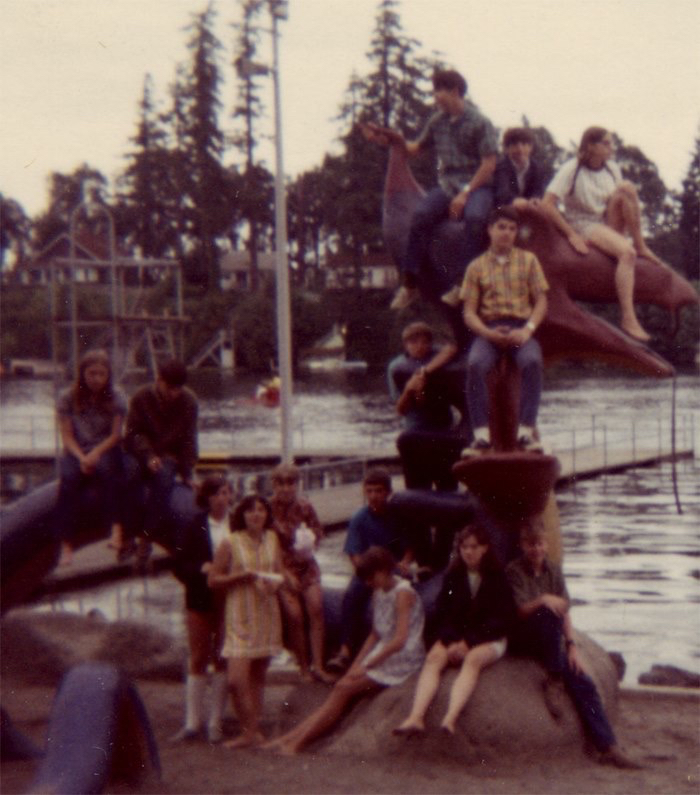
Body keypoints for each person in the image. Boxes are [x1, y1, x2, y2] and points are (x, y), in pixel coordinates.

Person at [264, 546, 425, 755]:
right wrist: (357, 664)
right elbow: (375, 634)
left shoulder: (403, 593)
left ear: (385, 570)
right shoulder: (379, 592)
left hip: (403, 657)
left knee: (343, 689)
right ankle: (289, 738)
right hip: (386, 651)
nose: (368, 583)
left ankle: (297, 744)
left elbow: (400, 640)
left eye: (371, 577)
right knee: (342, 684)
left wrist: (369, 664)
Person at [506, 520, 641, 769]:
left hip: (550, 639)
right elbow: (521, 610)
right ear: (522, 545)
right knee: (547, 611)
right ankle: (554, 679)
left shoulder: (554, 570)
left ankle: (608, 746)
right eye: (530, 544)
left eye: (539, 544)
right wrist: (545, 598)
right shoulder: (514, 570)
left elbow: (565, 611)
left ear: (546, 545)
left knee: (583, 681)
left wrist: (572, 646)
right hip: (525, 635)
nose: (535, 549)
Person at [364, 69, 498, 310]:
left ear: (455, 92)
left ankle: (463, 283)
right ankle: (410, 283)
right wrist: (390, 139)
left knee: (476, 219)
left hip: (477, 186)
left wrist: (466, 193)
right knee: (421, 217)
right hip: (447, 185)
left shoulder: (481, 122)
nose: (435, 96)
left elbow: (489, 163)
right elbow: (415, 149)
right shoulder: (437, 122)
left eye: (438, 91)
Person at [542, 126, 665, 343]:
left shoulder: (612, 168)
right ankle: (628, 317)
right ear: (591, 146)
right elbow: (547, 204)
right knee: (626, 254)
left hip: (606, 221)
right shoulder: (571, 169)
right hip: (583, 224)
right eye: (606, 143)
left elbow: (618, 202)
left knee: (627, 188)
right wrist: (571, 234)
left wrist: (618, 225)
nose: (611, 148)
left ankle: (641, 244)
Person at [394, 524, 513, 736]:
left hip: (489, 637)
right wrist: (452, 640)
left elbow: (501, 620)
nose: (468, 551)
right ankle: (416, 717)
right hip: (456, 637)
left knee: (473, 660)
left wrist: (468, 642)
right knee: (433, 659)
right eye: (464, 547)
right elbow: (444, 613)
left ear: (485, 548)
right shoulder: (453, 576)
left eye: (474, 546)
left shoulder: (498, 577)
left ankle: (450, 718)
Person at [459, 206, 549, 455]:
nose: (507, 233)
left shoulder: (528, 261)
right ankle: (480, 436)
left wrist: (528, 329)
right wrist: (488, 334)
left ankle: (526, 431)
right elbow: (469, 312)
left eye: (512, 228)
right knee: (476, 364)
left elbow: (541, 300)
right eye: (501, 227)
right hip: (489, 329)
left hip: (520, 327)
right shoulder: (476, 267)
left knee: (531, 362)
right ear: (490, 230)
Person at [207, 494, 283, 749]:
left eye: (261, 510)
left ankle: (252, 730)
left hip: (266, 611)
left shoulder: (272, 539)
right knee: (235, 680)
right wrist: (240, 577)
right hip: (239, 613)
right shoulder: (230, 542)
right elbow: (213, 580)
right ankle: (250, 731)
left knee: (257, 676)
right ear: (242, 515)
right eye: (250, 510)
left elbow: (279, 572)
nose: (256, 515)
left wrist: (276, 583)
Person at [326, 468, 416, 674]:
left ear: (388, 493)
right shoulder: (360, 518)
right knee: (351, 597)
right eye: (370, 491)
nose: (374, 496)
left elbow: (409, 547)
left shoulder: (397, 516)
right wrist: (368, 575)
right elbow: (354, 554)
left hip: (393, 568)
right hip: (368, 570)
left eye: (379, 491)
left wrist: (405, 562)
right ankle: (345, 650)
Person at [170, 473, 232, 744]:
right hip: (200, 596)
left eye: (227, 492)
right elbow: (178, 564)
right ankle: (192, 722)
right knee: (198, 656)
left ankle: (216, 721)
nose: (224, 498)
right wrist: (200, 568)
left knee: (222, 656)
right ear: (207, 497)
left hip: (229, 596)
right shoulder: (195, 525)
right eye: (218, 493)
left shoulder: (236, 526)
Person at [54, 349, 127, 566]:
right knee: (68, 481)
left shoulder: (117, 397)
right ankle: (66, 545)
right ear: (82, 374)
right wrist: (82, 457)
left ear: (108, 375)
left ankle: (116, 529)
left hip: (104, 447)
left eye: (101, 374)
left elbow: (115, 435)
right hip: (77, 448)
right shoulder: (67, 398)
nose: (96, 379)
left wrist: (95, 454)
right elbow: (66, 436)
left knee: (110, 473)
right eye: (91, 373)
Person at [123, 359, 198, 559]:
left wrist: (187, 472)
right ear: (159, 381)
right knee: (129, 475)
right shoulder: (141, 397)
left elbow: (189, 439)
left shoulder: (189, 401)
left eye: (178, 389)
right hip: (139, 452)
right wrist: (148, 455)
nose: (174, 393)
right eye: (170, 388)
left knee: (163, 480)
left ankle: (147, 537)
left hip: (167, 454)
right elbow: (133, 432)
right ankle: (128, 535)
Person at [269, 464, 334, 684]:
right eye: (281, 483)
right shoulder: (267, 509)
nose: (286, 488)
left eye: (291, 483)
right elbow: (269, 546)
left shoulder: (305, 506)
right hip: (281, 566)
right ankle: (303, 666)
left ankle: (319, 665)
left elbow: (318, 532)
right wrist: (285, 573)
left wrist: (309, 542)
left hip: (306, 564)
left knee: (316, 607)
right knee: (295, 615)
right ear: (274, 485)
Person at [387, 322, 464, 492]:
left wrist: (425, 372)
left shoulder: (435, 354)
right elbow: (400, 410)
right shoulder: (396, 367)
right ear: (405, 344)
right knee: (417, 485)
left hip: (443, 426)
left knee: (447, 483)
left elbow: (451, 348)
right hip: (416, 427)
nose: (420, 347)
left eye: (424, 342)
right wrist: (409, 389)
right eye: (414, 343)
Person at [492, 127, 546, 209]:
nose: (520, 149)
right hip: (506, 207)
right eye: (515, 145)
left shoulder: (537, 168)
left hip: (530, 207)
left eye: (524, 144)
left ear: (531, 147)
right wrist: (522, 203)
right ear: (506, 149)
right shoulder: (501, 167)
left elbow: (539, 191)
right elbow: (502, 194)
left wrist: (535, 199)